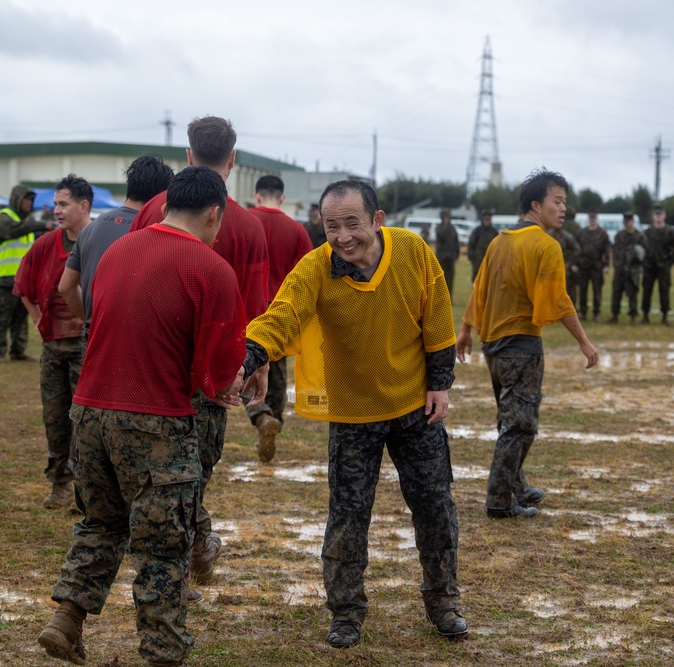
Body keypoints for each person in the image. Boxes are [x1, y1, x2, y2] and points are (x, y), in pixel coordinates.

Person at [37, 166, 247, 667]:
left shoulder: (115, 252)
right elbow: (217, 368)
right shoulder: (211, 268)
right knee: (163, 546)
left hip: (89, 411)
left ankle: (65, 619)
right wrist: (229, 385)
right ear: (214, 214)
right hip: (155, 420)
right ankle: (162, 653)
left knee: (100, 524)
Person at [244, 179, 467, 648]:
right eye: (331, 226)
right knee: (347, 516)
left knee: (435, 507)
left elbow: (438, 314)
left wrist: (440, 383)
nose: (343, 236)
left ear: (377, 220)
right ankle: (346, 612)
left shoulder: (412, 251)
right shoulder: (315, 268)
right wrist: (249, 354)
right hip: (352, 414)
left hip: (414, 407)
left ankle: (443, 599)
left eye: (352, 224)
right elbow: (282, 314)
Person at [131, 116, 269, 588]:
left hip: (153, 363)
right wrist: (258, 365)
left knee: (159, 466)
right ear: (233, 160)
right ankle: (193, 544)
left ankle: (190, 544)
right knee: (197, 467)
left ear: (187, 157)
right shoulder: (248, 227)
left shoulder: (153, 208)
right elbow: (254, 307)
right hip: (215, 371)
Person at [457, 169, 598, 523]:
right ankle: (500, 500)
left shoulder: (499, 241)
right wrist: (584, 341)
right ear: (536, 205)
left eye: (565, 202)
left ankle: (517, 484)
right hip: (522, 346)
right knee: (520, 426)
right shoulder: (546, 246)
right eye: (558, 201)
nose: (564, 208)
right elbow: (559, 301)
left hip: (493, 345)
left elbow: (479, 288)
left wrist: (466, 330)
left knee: (510, 419)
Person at [13, 175, 92, 510]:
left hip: (87, 346)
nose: (56, 211)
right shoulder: (45, 244)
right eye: (56, 204)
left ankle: (85, 488)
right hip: (53, 347)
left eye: (64, 204)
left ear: (84, 205)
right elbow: (24, 288)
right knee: (55, 417)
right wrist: (38, 319)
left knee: (85, 418)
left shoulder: (99, 240)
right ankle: (60, 484)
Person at [58, 154, 174, 326]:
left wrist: (92, 319)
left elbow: (65, 287)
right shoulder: (153, 231)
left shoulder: (90, 228)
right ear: (162, 194)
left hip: (93, 333)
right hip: (132, 334)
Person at [245, 175, 312, 462]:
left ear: (257, 196)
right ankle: (274, 419)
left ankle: (260, 416)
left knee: (246, 365)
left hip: (247, 305)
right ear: (282, 198)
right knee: (277, 371)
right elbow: (309, 274)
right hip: (281, 308)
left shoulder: (244, 221)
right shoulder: (296, 230)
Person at [0, 186, 48, 361]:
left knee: (21, 317)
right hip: (6, 278)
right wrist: (42, 224)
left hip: (24, 280)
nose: (29, 203)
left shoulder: (27, 222)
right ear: (16, 199)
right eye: (25, 199)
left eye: (31, 199)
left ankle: (18, 350)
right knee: (2, 315)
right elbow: (13, 230)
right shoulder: (5, 216)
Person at [640, 205, 674, 325]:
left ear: (664, 215)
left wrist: (669, 263)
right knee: (647, 291)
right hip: (649, 266)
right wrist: (644, 262)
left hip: (663, 266)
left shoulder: (670, 232)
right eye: (656, 214)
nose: (658, 217)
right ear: (653, 216)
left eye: (660, 214)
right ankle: (645, 315)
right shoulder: (647, 232)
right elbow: (642, 249)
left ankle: (665, 316)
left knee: (664, 291)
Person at [607, 212, 644, 324]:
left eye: (629, 221)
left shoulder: (639, 236)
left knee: (632, 293)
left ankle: (633, 316)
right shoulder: (619, 235)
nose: (627, 224)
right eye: (625, 222)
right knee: (616, 292)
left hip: (632, 270)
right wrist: (617, 265)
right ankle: (615, 315)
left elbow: (643, 253)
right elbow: (615, 252)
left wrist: (638, 266)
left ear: (633, 222)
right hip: (620, 268)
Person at [576, 211, 610, 321]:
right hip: (583, 266)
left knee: (597, 290)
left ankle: (596, 313)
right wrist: (575, 264)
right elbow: (577, 250)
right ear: (588, 218)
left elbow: (606, 250)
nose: (592, 219)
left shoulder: (602, 233)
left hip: (597, 266)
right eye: (591, 217)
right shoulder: (581, 233)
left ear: (597, 219)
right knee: (583, 290)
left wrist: (606, 265)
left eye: (594, 218)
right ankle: (583, 313)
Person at [548, 224, 580, 303]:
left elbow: (577, 249)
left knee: (568, 290)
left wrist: (570, 263)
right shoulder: (548, 235)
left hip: (565, 268)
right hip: (551, 268)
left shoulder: (567, 236)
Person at [434, 208, 460, 301]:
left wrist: (456, 254)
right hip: (441, 258)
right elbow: (440, 236)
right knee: (441, 279)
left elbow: (456, 242)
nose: (447, 219)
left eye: (448, 217)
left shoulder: (452, 229)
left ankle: (449, 298)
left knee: (450, 279)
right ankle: (440, 298)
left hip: (450, 258)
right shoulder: (439, 228)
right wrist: (445, 226)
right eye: (445, 217)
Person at [467, 209, 498, 281]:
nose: (487, 221)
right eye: (485, 220)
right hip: (478, 262)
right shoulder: (477, 231)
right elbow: (471, 245)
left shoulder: (494, 232)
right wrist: (472, 258)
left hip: (490, 262)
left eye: (488, 220)